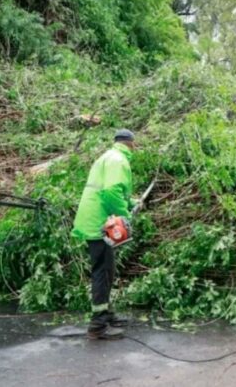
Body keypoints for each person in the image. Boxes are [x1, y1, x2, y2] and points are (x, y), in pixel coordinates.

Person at [72, 129, 136, 340]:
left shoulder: (109, 156)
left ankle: (105, 313)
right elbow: (110, 192)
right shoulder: (119, 160)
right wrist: (125, 214)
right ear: (131, 144)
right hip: (99, 223)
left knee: (107, 268)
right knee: (102, 270)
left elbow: (114, 191)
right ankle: (98, 324)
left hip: (96, 218)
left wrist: (130, 203)